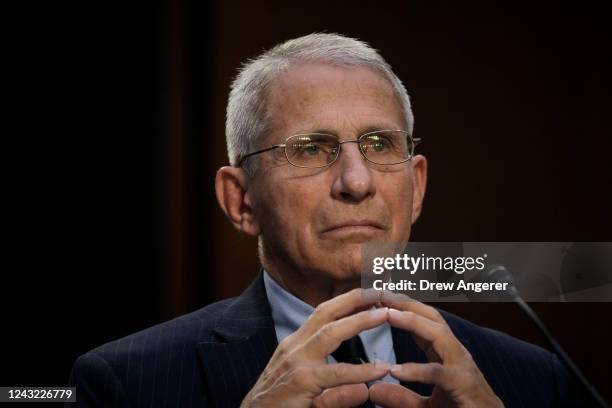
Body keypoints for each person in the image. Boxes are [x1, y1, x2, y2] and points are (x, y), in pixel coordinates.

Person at [71, 33, 585, 407]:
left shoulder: (534, 380)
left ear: (417, 188)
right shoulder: (122, 384)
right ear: (240, 200)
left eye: (381, 144)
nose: (357, 182)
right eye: (310, 149)